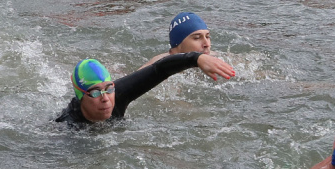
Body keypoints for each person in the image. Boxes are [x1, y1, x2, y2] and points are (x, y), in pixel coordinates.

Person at [56, 52, 236, 125]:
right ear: (80, 97)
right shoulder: (68, 125)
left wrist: (196, 59)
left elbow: (159, 70)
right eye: (95, 92)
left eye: (109, 88)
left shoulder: (117, 95)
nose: (105, 98)